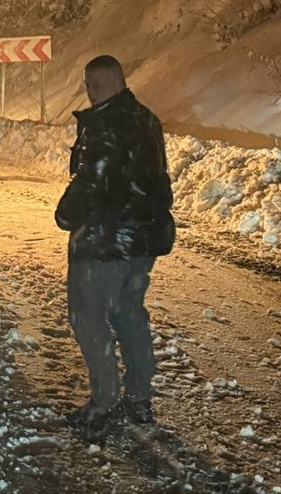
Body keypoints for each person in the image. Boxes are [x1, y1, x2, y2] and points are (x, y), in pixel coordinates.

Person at [55, 54, 175, 438]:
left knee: (89, 317)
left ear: (117, 83)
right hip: (142, 242)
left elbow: (96, 178)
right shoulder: (146, 118)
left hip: (106, 240)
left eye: (98, 85)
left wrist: (65, 214)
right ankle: (139, 397)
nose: (91, 93)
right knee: (129, 313)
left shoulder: (107, 124)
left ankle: (103, 402)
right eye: (88, 85)